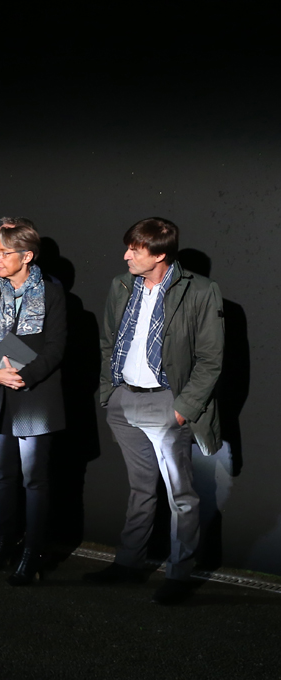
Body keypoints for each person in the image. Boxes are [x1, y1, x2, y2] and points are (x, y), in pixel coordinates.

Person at [85, 218, 223, 605]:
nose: (126, 255)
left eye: (136, 249)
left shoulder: (200, 290)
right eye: (128, 247)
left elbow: (211, 360)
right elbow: (108, 341)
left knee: (181, 495)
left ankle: (179, 574)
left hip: (166, 404)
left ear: (160, 254)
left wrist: (182, 410)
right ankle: (129, 564)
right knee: (140, 488)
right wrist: (110, 393)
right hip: (124, 401)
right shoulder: (121, 284)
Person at [0, 222, 66, 585]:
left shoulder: (53, 294)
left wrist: (24, 376)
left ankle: (34, 550)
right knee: (0, 475)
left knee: (34, 478)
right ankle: (3, 539)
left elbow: (56, 348)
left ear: (27, 256)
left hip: (34, 395)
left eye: (3, 253)